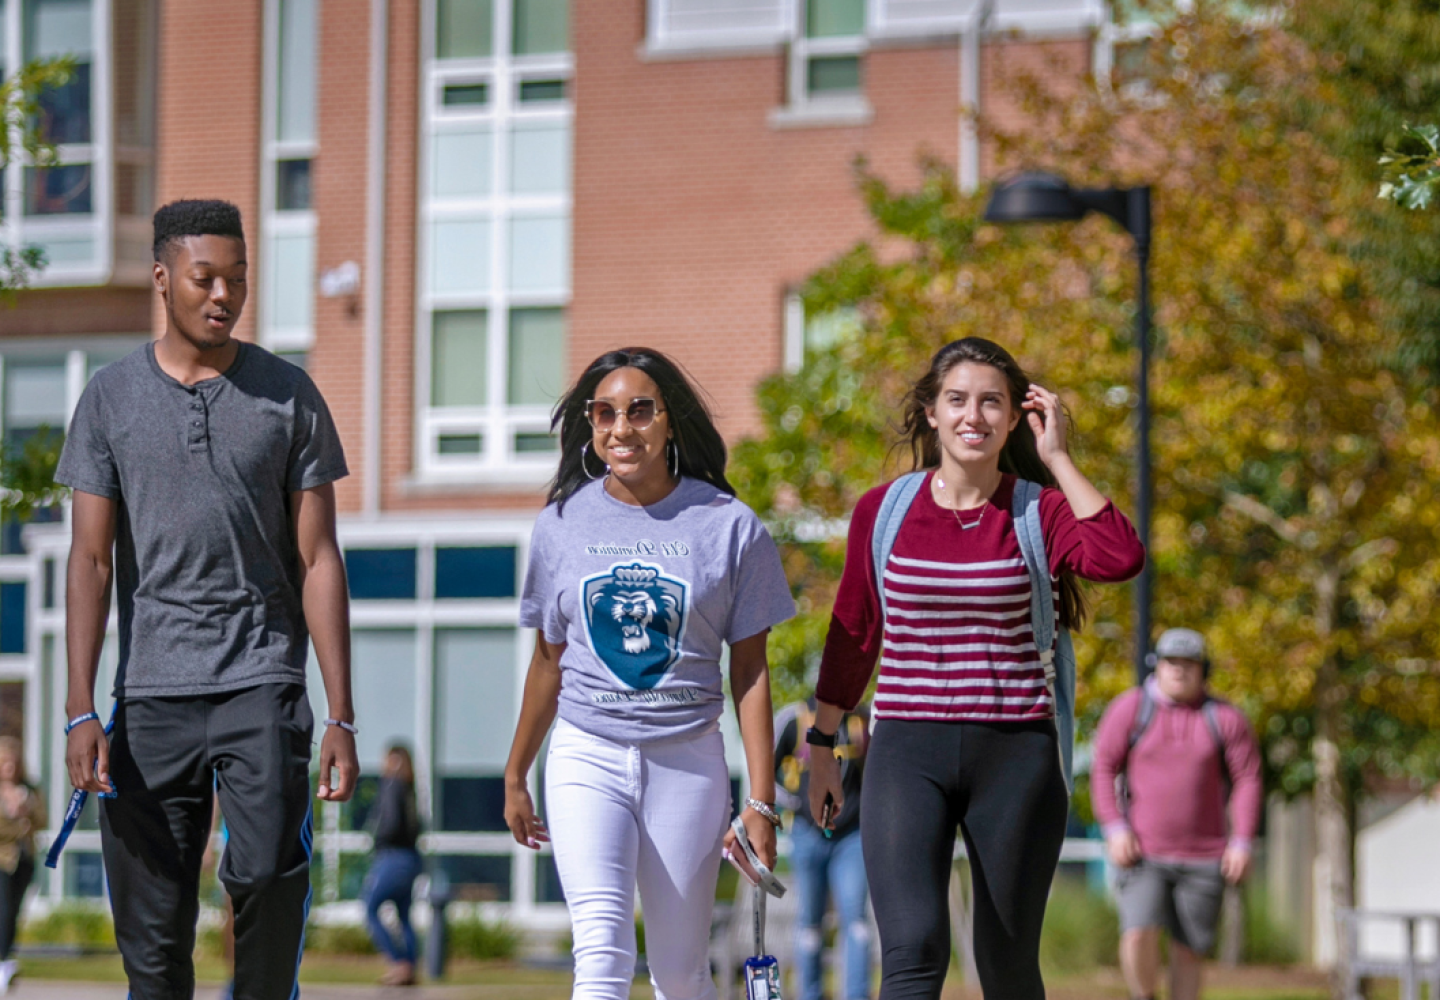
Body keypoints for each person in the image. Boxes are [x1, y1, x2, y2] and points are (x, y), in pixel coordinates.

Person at [56, 199, 359, 1000]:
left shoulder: (288, 395)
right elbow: (88, 560)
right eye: (205, 278)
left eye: (238, 279)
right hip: (151, 696)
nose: (223, 294)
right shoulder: (110, 399)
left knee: (265, 875)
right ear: (163, 280)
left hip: (261, 683)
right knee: (153, 943)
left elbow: (320, 556)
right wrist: (79, 708)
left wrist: (341, 714)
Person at [807, 337, 1146, 1000]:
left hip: (1015, 756)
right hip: (906, 750)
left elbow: (1119, 556)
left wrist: (1059, 459)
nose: (974, 416)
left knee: (1008, 967)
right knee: (912, 953)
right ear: (930, 412)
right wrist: (823, 745)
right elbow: (854, 634)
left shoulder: (1037, 510)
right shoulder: (885, 512)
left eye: (992, 402)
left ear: (1015, 418)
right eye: (957, 400)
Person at [503, 347, 796, 1000]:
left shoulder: (729, 526)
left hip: (687, 760)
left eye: (640, 410)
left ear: (669, 421)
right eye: (604, 413)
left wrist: (761, 802)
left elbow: (749, 670)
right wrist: (516, 770)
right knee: (601, 954)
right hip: (586, 754)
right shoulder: (560, 524)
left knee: (679, 971)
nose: (621, 428)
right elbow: (549, 660)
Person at [1090, 627, 1263, 1000]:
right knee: (1138, 932)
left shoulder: (1225, 718)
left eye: (1189, 663)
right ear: (1157, 665)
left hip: (1205, 855)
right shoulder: (1131, 709)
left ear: (1204, 669)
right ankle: (1144, 995)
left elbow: (1247, 778)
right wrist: (1115, 828)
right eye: (1171, 662)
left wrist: (1242, 841)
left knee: (1188, 950)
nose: (1179, 670)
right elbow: (1103, 768)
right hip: (1142, 852)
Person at [774, 699, 871, 1000]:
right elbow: (766, 769)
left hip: (851, 836)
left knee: (855, 922)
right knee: (810, 924)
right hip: (807, 834)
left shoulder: (861, 719)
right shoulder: (795, 718)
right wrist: (799, 804)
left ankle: (856, 995)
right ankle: (810, 994)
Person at [364, 744, 424, 987]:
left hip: (392, 857)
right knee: (404, 914)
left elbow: (389, 822)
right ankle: (409, 966)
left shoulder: (390, 785)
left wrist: (378, 839)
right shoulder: (410, 790)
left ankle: (399, 963)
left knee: (370, 907)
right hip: (411, 859)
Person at [0, 736, 45, 994]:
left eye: (13, 763)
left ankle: (6, 958)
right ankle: (4, 961)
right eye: (5, 763)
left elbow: (42, 819)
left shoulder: (30, 789)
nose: (10, 768)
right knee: (3, 909)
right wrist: (15, 818)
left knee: (14, 910)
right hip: (2, 858)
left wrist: (27, 811)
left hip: (24, 860)